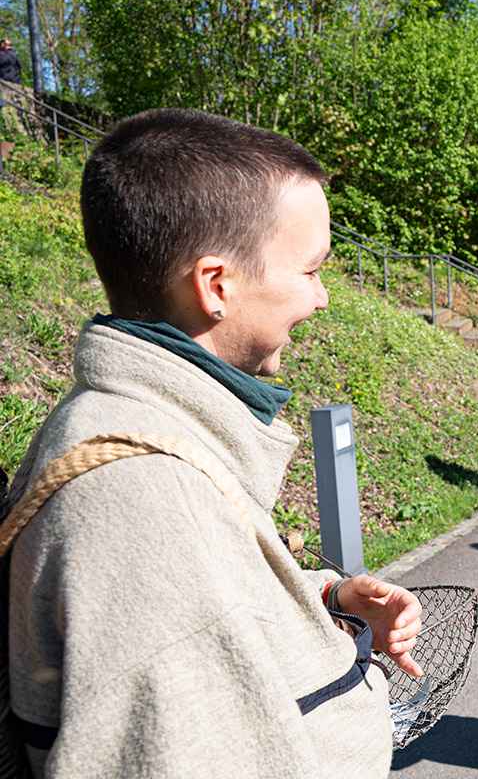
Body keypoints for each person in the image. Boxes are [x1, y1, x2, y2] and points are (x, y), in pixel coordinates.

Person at [4, 109, 423, 778]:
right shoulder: (141, 499)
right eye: (311, 270)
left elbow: (198, 606)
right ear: (216, 286)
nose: (321, 298)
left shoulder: (149, 435)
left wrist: (325, 600)